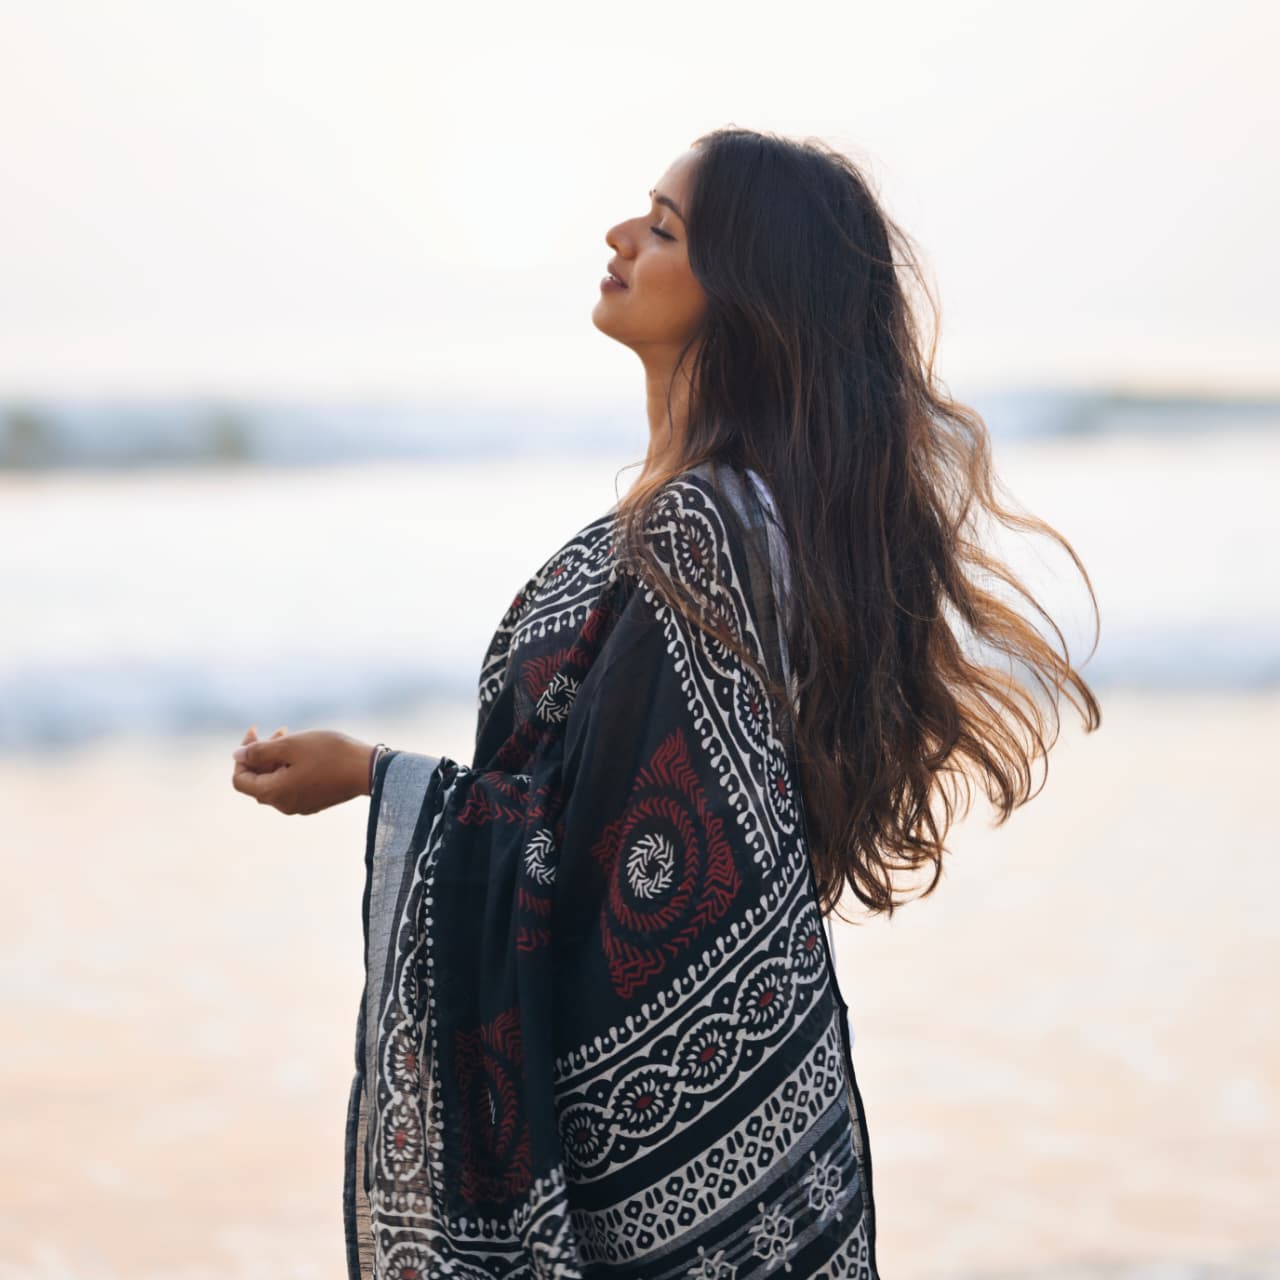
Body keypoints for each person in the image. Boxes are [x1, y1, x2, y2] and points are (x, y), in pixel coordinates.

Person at [230, 127, 1100, 1279]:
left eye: (663, 225)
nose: (619, 235)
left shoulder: (702, 531)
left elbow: (627, 854)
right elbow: (600, 807)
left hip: (665, 1149)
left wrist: (375, 779)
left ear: (739, 289)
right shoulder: (724, 516)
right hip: (727, 1130)